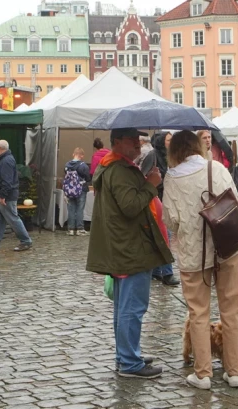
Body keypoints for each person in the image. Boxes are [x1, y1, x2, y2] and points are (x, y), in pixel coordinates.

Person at [87, 128, 173, 380]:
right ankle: (129, 362)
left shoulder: (112, 167)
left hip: (124, 246)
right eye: (130, 140)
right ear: (116, 143)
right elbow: (130, 206)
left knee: (124, 306)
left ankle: (126, 354)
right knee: (132, 308)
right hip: (130, 247)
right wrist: (150, 185)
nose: (137, 143)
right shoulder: (119, 171)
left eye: (138, 139)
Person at [162, 130, 238, 389]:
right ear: (198, 145)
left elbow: (170, 221)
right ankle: (234, 372)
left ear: (174, 151)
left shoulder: (172, 177)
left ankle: (203, 374)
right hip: (227, 248)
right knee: (231, 310)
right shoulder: (216, 168)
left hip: (193, 254)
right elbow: (236, 203)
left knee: (198, 314)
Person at [0, 140, 32, 252]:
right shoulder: (4, 160)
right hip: (0, 196)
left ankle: (26, 241)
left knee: (13, 219)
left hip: (5, 197)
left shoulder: (6, 161)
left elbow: (7, 181)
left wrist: (3, 196)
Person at [149, 131, 180, 286]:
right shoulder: (153, 156)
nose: (171, 142)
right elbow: (149, 180)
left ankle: (155, 271)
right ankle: (167, 273)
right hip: (157, 201)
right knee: (164, 236)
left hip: (167, 201)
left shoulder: (170, 157)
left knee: (159, 236)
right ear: (162, 142)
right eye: (168, 140)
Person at [64, 148, 91, 236]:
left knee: (71, 209)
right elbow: (88, 178)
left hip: (69, 190)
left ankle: (70, 229)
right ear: (82, 156)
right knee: (80, 209)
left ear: (73, 154)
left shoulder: (67, 165)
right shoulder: (84, 166)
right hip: (81, 189)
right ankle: (80, 229)